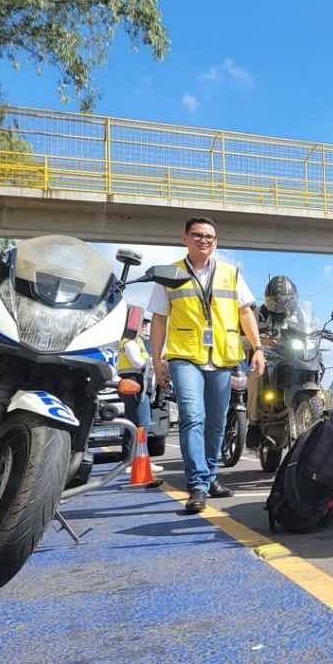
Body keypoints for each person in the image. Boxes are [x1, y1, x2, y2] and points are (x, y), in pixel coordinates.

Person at [148, 217, 265, 513]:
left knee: (217, 422)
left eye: (210, 237)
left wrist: (258, 348)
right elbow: (160, 317)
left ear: (216, 242)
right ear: (184, 238)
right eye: (197, 235)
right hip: (185, 355)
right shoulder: (170, 274)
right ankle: (197, 484)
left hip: (223, 356)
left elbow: (245, 312)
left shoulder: (230, 273)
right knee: (192, 416)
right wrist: (156, 358)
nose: (204, 240)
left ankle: (210, 476)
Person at [247, 275, 299, 437]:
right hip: (267, 357)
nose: (279, 306)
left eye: (284, 301)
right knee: (257, 375)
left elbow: (310, 328)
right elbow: (248, 332)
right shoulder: (259, 313)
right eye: (274, 302)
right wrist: (262, 340)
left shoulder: (298, 315)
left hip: (292, 357)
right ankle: (253, 424)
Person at [116, 317, 163, 474]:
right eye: (141, 324)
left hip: (133, 387)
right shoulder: (130, 342)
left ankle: (133, 460)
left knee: (134, 424)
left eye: (145, 324)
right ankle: (139, 461)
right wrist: (153, 361)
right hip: (135, 387)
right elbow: (137, 363)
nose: (145, 326)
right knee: (143, 424)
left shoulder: (136, 342)